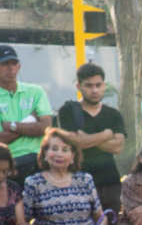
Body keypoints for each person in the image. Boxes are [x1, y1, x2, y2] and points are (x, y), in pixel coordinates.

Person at [53, 62, 125, 214]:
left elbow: (118, 147)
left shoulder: (113, 114)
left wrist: (87, 139)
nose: (95, 90)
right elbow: (76, 142)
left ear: (104, 85)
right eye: (89, 85)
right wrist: (106, 135)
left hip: (109, 181)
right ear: (78, 86)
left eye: (98, 85)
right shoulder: (68, 111)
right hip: (76, 179)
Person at [0, 44, 52, 178]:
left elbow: (46, 128)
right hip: (10, 163)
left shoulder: (36, 91)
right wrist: (31, 121)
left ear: (19, 66)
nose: (10, 68)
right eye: (4, 64)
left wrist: (12, 126)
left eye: (14, 63)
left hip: (40, 159)